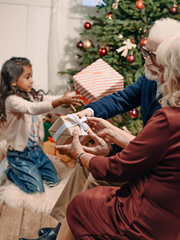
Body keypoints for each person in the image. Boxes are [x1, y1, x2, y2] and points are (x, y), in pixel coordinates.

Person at [20, 17, 180, 240]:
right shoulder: (152, 78)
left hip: (153, 175)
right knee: (84, 167)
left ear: (168, 60)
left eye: (151, 56)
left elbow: (145, 153)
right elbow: (121, 99)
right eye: (145, 52)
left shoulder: (173, 105)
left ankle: (68, 231)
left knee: (94, 176)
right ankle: (60, 230)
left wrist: (86, 153)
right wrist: (88, 113)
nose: (146, 61)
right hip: (145, 158)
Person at [0, 57, 83, 194]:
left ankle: (28, 170)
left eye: (31, 76)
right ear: (14, 81)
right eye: (27, 77)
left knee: (54, 182)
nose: (31, 80)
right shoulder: (11, 100)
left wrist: (71, 96)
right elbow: (32, 108)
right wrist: (60, 101)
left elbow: (49, 99)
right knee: (36, 190)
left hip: (36, 151)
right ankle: (10, 170)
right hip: (20, 155)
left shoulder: (30, 95)